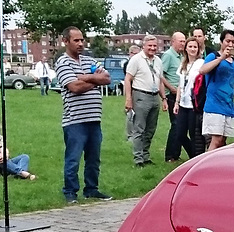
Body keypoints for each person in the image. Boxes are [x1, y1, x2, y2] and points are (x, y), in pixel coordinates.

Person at [55, 26, 111, 203]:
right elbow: (74, 88)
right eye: (76, 40)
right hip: (75, 121)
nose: (81, 44)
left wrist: (84, 77)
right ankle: (70, 191)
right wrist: (95, 79)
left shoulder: (89, 60)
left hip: (94, 119)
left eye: (82, 40)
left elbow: (107, 78)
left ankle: (91, 189)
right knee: (73, 159)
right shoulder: (62, 63)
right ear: (66, 41)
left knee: (93, 159)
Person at [124, 35, 168, 167]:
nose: (152, 48)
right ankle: (138, 159)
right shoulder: (136, 60)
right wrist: (128, 99)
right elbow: (128, 79)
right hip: (140, 95)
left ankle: (146, 155)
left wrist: (164, 98)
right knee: (139, 129)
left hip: (154, 96)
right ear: (144, 46)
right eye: (150, 45)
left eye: (155, 46)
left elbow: (160, 80)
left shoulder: (158, 61)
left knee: (151, 129)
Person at [199, 29, 234, 149]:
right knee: (216, 140)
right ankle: (206, 166)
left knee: (222, 142)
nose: (230, 44)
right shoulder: (213, 56)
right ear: (221, 42)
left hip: (228, 107)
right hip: (214, 105)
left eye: (233, 42)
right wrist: (221, 58)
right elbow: (202, 70)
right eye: (228, 41)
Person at [172, 37, 204, 160]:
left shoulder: (201, 63)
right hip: (183, 104)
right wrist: (177, 102)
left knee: (194, 134)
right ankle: (193, 157)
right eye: (190, 46)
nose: (192, 49)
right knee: (180, 134)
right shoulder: (183, 64)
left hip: (194, 105)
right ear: (186, 48)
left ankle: (196, 158)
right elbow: (180, 85)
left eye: (195, 47)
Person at [162, 32, 186, 163]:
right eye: (180, 41)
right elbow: (161, 75)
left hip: (181, 94)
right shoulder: (168, 56)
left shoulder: (181, 56)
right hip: (172, 94)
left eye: (184, 41)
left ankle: (176, 153)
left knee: (181, 125)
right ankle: (170, 155)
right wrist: (171, 88)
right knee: (176, 124)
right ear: (173, 42)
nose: (183, 43)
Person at [123, 45, 141, 143]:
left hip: (139, 90)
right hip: (131, 89)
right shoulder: (127, 64)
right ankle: (130, 135)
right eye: (133, 53)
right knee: (130, 113)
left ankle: (137, 133)